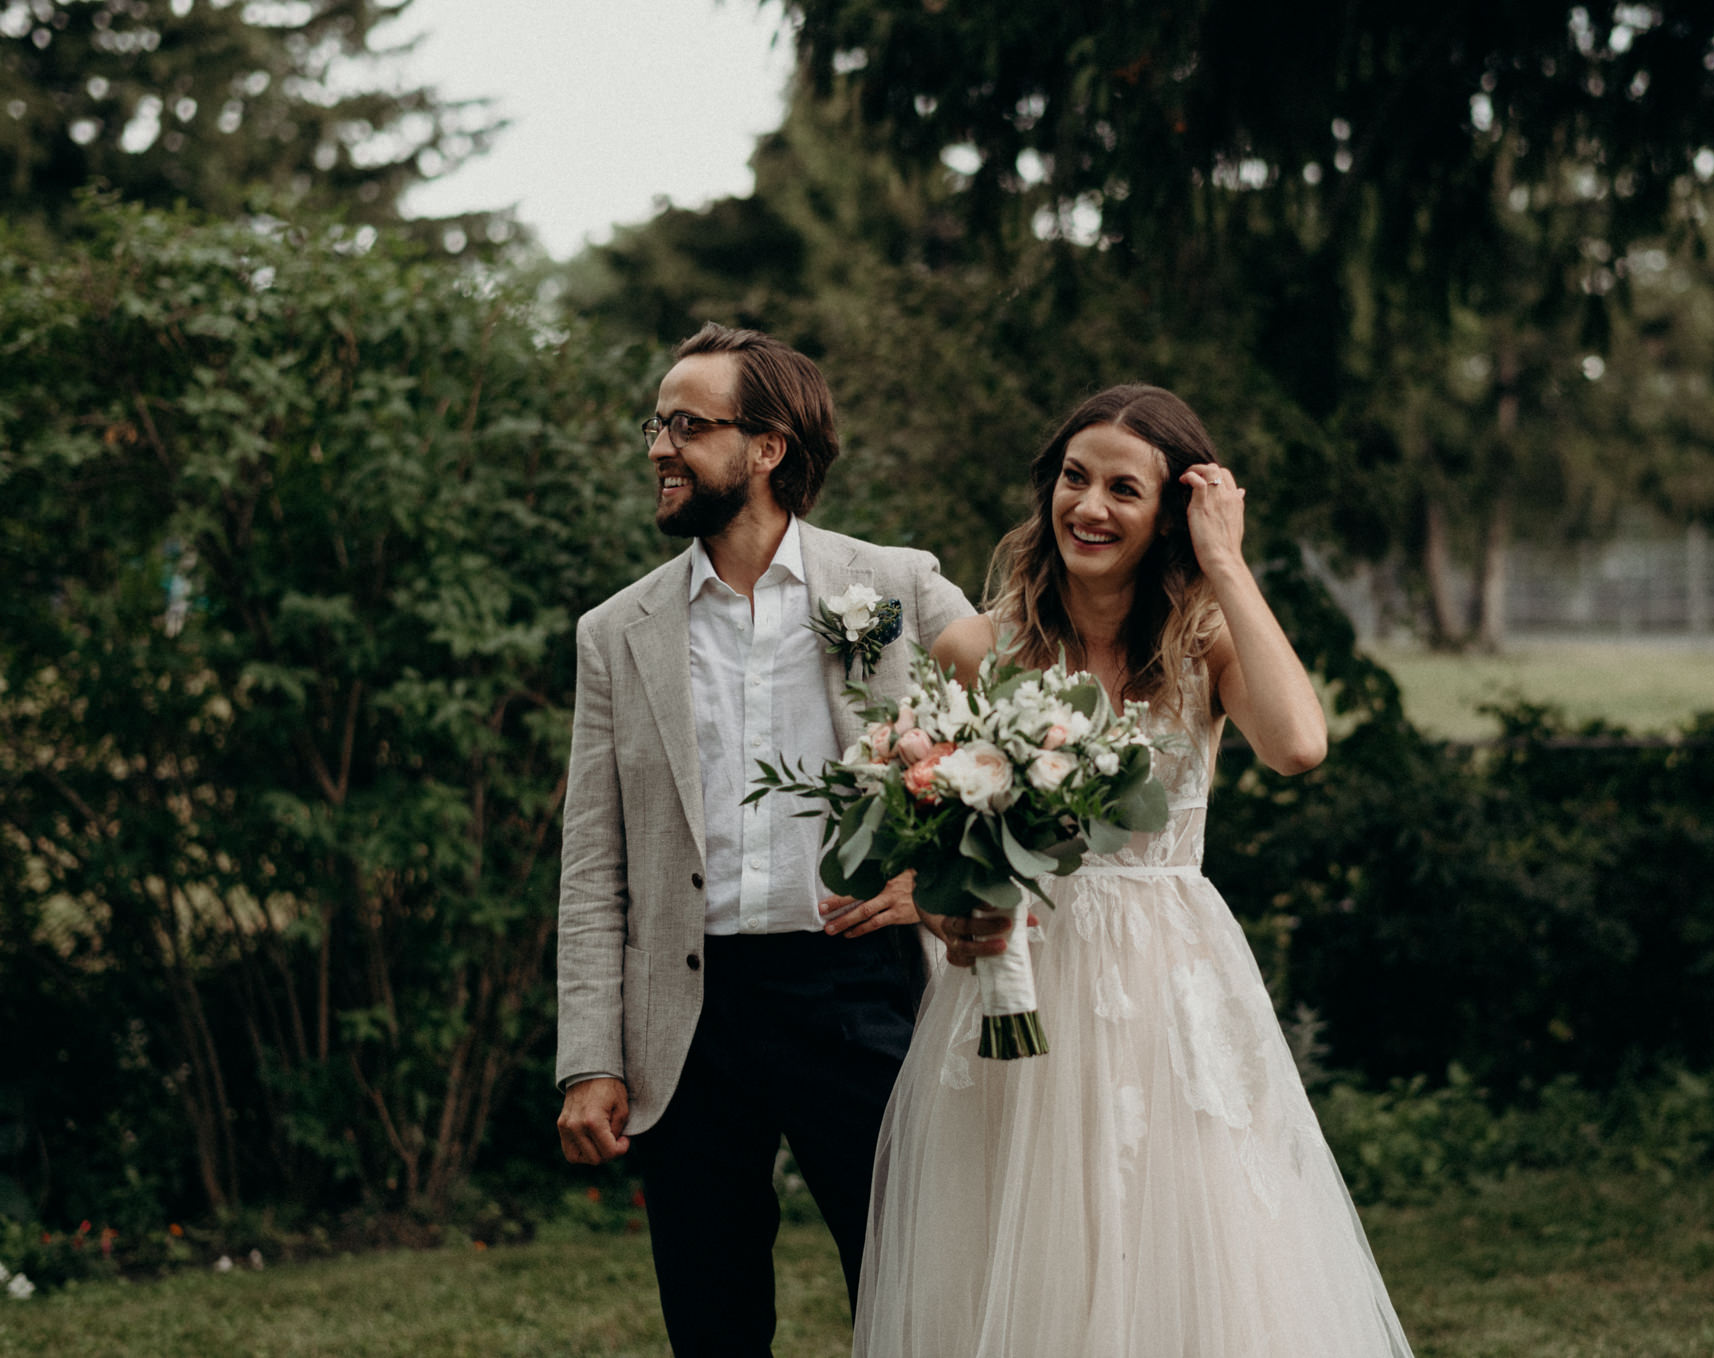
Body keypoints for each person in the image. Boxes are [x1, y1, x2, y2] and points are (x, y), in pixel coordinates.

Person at [857, 386, 1417, 1357]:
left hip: (1168, 990)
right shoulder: (978, 650)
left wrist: (1227, 561)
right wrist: (948, 918)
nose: (1091, 505)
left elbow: (1297, 743)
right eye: (1075, 478)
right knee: (1016, 1244)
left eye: (1125, 487)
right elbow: (933, 837)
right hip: (1015, 986)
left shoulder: (1202, 642)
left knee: (1188, 1240)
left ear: (1168, 516)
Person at [553, 322, 975, 1356]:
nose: (659, 445)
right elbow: (594, 861)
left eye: (687, 425)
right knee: (712, 1318)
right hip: (687, 1013)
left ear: (768, 446)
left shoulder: (898, 587)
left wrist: (940, 881)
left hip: (860, 990)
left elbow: (1027, 745)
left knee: (910, 1296)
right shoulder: (616, 632)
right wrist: (587, 1058)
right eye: (657, 423)